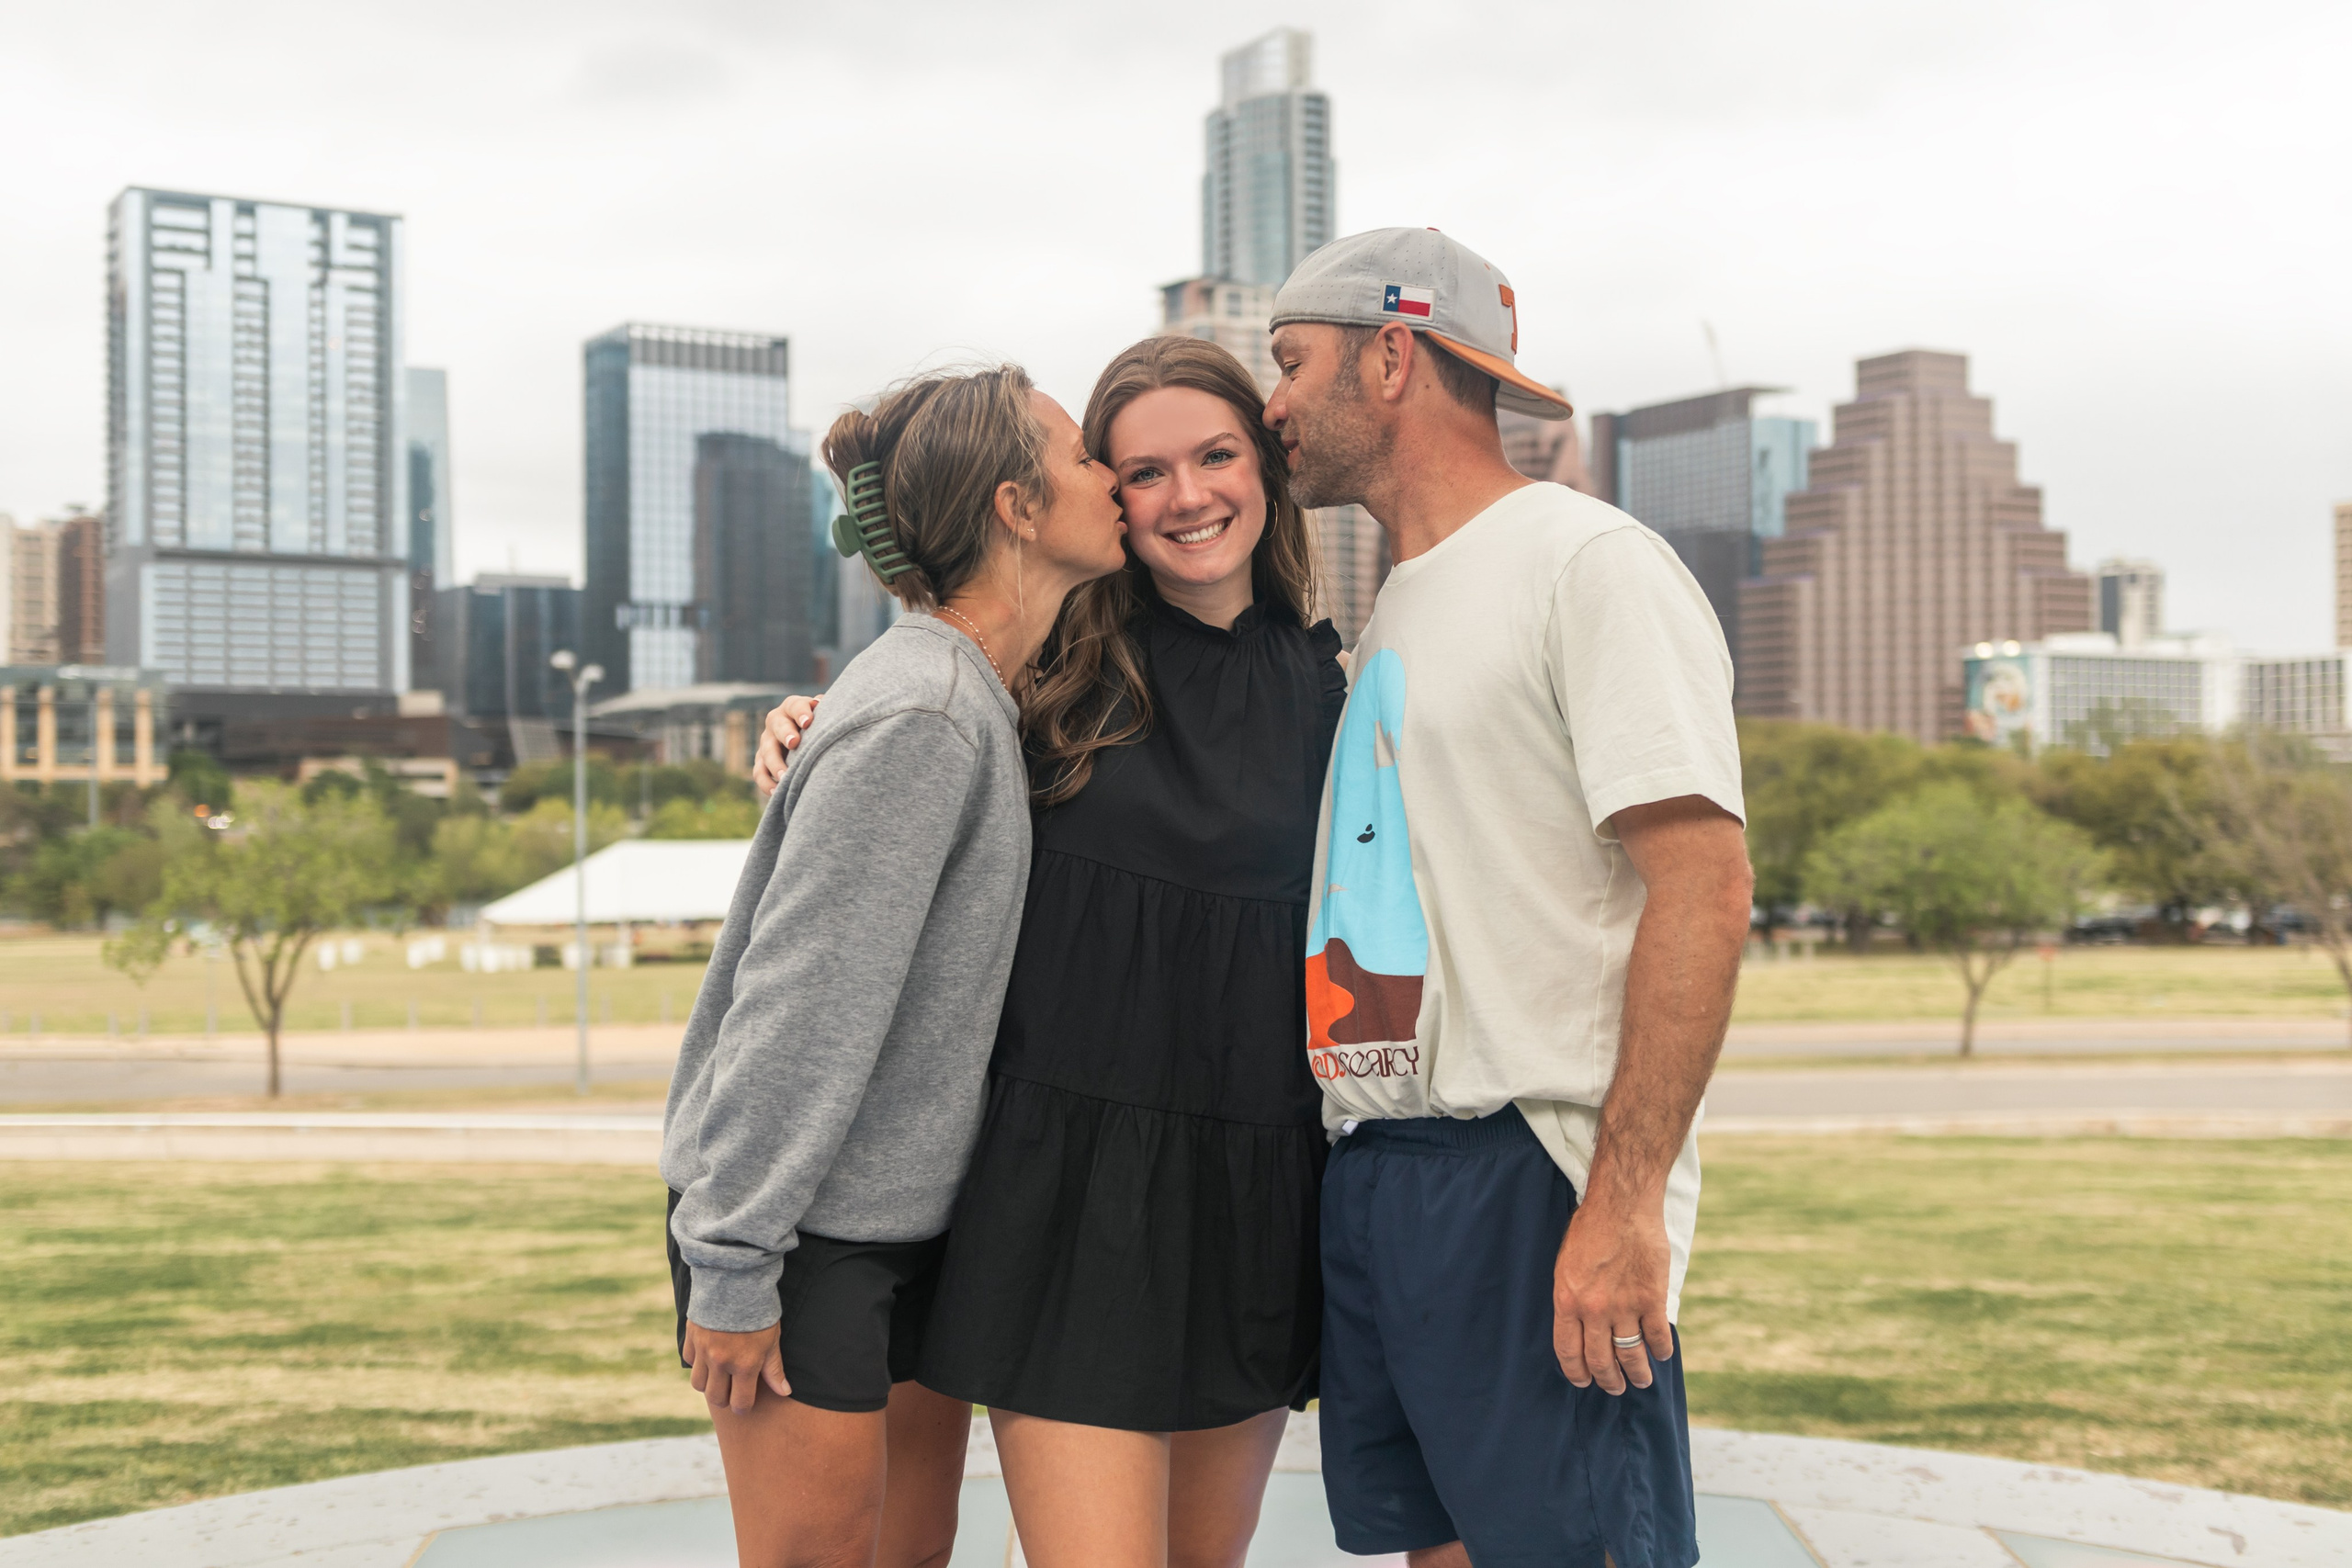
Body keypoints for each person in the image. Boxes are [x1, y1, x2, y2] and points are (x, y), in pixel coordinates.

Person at [755, 334, 1344, 1568]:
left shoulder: (1338, 687)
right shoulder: (1048, 672)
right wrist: (804, 717)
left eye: (1216, 455)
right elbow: (902, 742)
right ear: (1100, 494)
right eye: (1139, 469)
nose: (1186, 495)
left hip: (1254, 1186)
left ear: (1266, 466)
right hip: (1063, 1196)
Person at [1266, 228, 1753, 1568]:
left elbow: (1704, 889)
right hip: (1375, 1167)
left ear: (1389, 355)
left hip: (1527, 1171)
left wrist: (1623, 1199)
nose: (1274, 405)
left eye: (1291, 364)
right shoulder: (1398, 605)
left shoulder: (1588, 565)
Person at [662, 364, 1128, 1568]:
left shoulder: (962, 693)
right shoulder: (926, 712)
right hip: (803, 1237)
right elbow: (799, 1001)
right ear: (1019, 507)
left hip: (902, 1224)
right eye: (1083, 457)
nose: (1112, 478)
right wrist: (731, 1264)